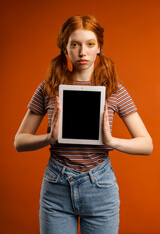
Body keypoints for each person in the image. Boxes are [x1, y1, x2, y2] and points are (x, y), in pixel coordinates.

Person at [14, 15, 153, 234]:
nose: (82, 52)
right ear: (64, 48)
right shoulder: (48, 88)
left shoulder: (114, 89)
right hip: (56, 186)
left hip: (100, 187)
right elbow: (19, 142)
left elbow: (147, 145)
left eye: (90, 44)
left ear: (99, 47)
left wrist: (111, 141)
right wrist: (49, 138)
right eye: (75, 44)